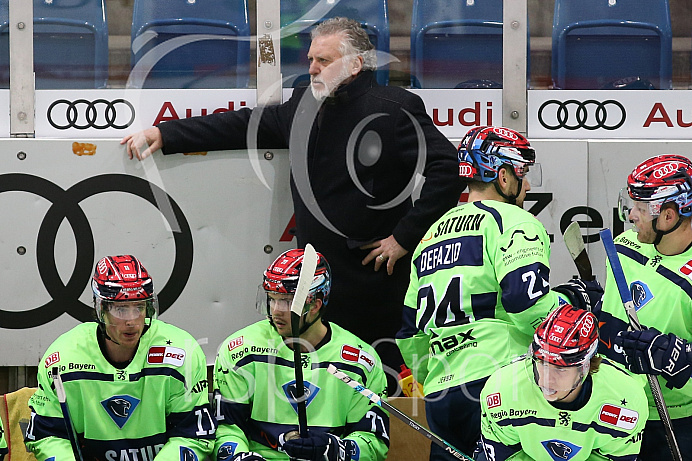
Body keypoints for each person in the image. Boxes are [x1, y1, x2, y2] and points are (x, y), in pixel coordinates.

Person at [121, 17, 462, 393]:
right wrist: (165, 133)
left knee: (381, 388)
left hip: (375, 283)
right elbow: (244, 125)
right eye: (311, 59)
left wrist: (404, 237)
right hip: (313, 280)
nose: (313, 68)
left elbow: (448, 169)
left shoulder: (396, 109)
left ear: (355, 64)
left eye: (324, 61)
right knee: (321, 386)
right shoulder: (304, 104)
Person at [396, 126, 593, 459]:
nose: (527, 185)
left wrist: (437, 378)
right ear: (503, 177)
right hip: (499, 382)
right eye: (522, 173)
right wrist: (570, 302)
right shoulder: (513, 220)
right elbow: (525, 303)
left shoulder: (429, 236)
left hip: (440, 395)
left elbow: (408, 335)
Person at [25, 255, 216, 461]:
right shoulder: (61, 358)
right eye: (121, 309)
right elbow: (47, 435)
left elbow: (191, 436)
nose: (132, 321)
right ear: (101, 309)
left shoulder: (182, 353)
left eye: (139, 307)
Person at [213, 248, 389, 461]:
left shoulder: (361, 361)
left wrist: (335, 450)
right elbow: (225, 429)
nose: (276, 310)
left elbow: (374, 441)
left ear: (315, 305)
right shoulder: (240, 350)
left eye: (287, 301)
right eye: (272, 298)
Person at [596, 154, 692, 461]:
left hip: (675, 421)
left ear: (669, 215)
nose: (631, 215)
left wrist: (677, 359)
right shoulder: (624, 244)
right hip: (612, 405)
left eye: (641, 207)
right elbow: (609, 313)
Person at [478, 302, 648, 461]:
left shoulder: (626, 400)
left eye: (560, 369)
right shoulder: (501, 391)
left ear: (585, 367)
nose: (545, 379)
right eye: (541, 363)